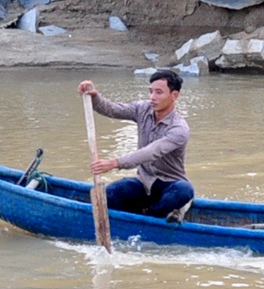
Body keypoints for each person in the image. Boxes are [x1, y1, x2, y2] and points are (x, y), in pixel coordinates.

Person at [77, 71, 194, 219]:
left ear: (174, 95)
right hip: (144, 183)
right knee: (110, 194)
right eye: (150, 91)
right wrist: (95, 97)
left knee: (184, 190)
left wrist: (115, 163)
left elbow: (151, 152)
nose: (152, 97)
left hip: (168, 185)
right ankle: (136, 215)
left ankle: (152, 217)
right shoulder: (143, 109)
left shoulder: (179, 129)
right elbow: (113, 110)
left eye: (159, 92)